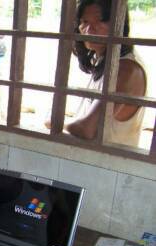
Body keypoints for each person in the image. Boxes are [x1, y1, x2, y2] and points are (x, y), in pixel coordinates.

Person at [60, 0, 146, 146]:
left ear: (118, 25)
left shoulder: (127, 70)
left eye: (100, 21)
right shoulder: (107, 60)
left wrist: (58, 123)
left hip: (109, 164)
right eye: (84, 21)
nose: (89, 29)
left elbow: (87, 128)